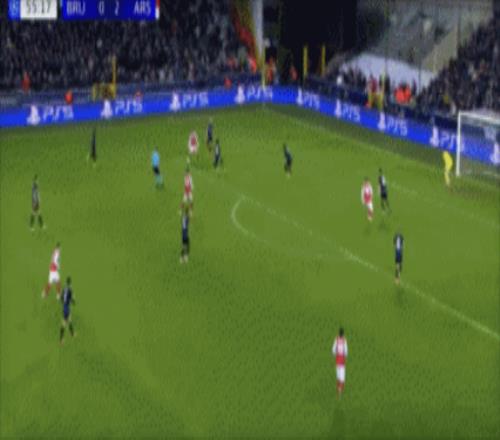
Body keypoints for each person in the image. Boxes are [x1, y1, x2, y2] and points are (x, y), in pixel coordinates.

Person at [332, 327, 348, 398]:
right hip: (342, 360)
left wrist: (336, 354)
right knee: (342, 376)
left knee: (338, 375)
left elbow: (333, 350)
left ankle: (338, 390)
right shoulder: (344, 340)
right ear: (343, 333)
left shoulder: (336, 339)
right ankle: (340, 391)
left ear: (339, 333)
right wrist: (344, 356)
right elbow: (346, 351)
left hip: (337, 359)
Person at [60, 277, 76, 345]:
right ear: (70, 283)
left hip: (64, 307)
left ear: (66, 282)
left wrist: (64, 303)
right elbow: (73, 301)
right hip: (67, 308)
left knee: (69, 320)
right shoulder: (70, 290)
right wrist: (73, 301)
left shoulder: (64, 289)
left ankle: (72, 333)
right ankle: (61, 340)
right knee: (64, 323)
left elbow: (61, 298)